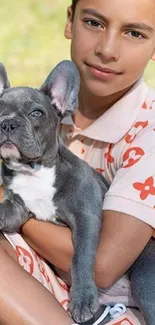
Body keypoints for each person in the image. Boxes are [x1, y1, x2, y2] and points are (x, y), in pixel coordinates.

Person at [0, 0, 155, 324]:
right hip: (52, 286)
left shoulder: (150, 132)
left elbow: (103, 267)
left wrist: (16, 205)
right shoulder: (38, 113)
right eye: (95, 23)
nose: (108, 49)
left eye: (135, 33)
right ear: (70, 21)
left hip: (129, 290)